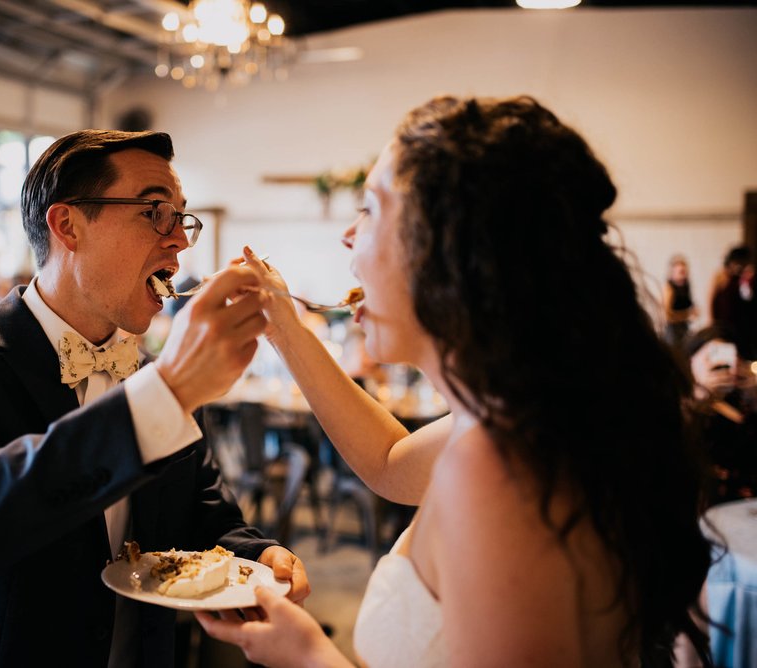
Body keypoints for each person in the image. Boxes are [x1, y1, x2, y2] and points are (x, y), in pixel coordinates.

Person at [196, 96, 713, 667]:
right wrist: (286, 330)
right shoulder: (534, 413)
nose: (347, 234)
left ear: (446, 247)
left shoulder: (496, 466)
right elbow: (391, 461)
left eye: (369, 209)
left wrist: (312, 656)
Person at [0, 129, 309, 667]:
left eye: (181, 217)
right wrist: (168, 390)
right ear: (68, 225)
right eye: (155, 212)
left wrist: (258, 556)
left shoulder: (148, 377)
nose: (181, 241)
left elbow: (204, 516)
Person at [686, 326, 757, 507]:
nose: (721, 364)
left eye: (727, 354)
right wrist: (699, 398)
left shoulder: (744, 404)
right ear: (690, 360)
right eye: (711, 355)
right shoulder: (679, 403)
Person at [663, 254, 697, 352]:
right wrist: (686, 315)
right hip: (672, 331)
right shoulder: (669, 289)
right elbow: (667, 316)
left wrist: (693, 311)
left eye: (684, 272)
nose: (683, 275)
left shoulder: (686, 286)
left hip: (684, 328)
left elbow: (689, 305)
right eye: (680, 272)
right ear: (672, 273)